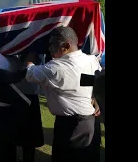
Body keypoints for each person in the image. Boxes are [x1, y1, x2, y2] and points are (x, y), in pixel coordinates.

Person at [25, 26, 102, 162]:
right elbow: (92, 81)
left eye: (51, 45)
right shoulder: (91, 60)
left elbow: (29, 73)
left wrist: (31, 53)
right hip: (90, 123)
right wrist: (95, 98)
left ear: (66, 45)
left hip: (72, 126)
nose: (49, 49)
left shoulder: (56, 69)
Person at [14, 54, 44, 162]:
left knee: (29, 135)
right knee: (20, 133)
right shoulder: (17, 56)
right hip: (19, 96)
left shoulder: (36, 56)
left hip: (30, 99)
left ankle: (28, 158)